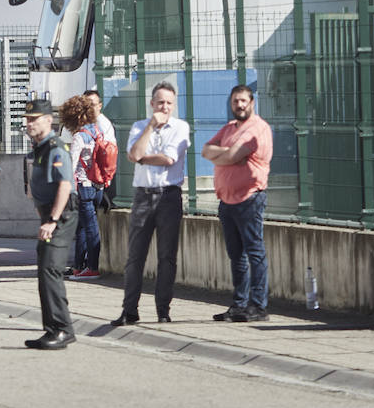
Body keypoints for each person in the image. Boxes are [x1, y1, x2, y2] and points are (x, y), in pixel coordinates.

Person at [112, 81, 189, 326]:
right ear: (152, 103)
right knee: (135, 256)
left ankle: (163, 310)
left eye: (168, 103)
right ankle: (129, 310)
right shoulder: (138, 127)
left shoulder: (181, 127)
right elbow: (133, 154)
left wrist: (142, 158)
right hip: (143, 196)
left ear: (173, 105)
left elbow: (169, 158)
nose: (164, 107)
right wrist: (149, 129)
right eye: (160, 102)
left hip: (169, 196)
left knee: (167, 257)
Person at [203, 84, 273, 324]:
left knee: (255, 252)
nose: (240, 105)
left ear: (251, 102)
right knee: (236, 256)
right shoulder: (229, 128)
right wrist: (228, 153)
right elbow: (205, 150)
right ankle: (239, 304)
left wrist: (223, 156)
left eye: (243, 101)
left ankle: (258, 306)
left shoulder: (259, 129)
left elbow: (234, 155)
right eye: (235, 101)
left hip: (250, 199)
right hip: (227, 201)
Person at [23, 97, 76, 350]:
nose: (29, 123)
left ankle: (63, 329)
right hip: (49, 215)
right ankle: (53, 329)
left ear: (48, 120)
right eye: (27, 119)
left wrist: (53, 220)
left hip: (61, 216)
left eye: (34, 119)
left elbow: (65, 185)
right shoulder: (41, 147)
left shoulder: (56, 147)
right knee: (45, 271)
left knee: (51, 271)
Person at [61, 91, 117, 281]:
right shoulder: (98, 131)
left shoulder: (80, 136)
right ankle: (79, 266)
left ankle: (91, 267)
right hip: (99, 186)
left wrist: (68, 189)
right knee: (84, 226)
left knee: (89, 227)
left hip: (84, 186)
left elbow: (71, 164)